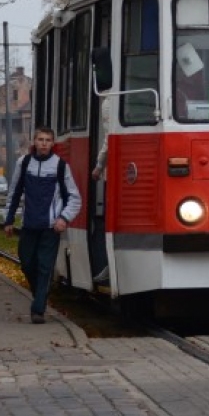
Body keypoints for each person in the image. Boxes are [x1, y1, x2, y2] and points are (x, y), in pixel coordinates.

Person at [3, 126, 82, 324]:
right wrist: (8, 219)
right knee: (27, 263)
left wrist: (63, 218)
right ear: (34, 142)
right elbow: (14, 192)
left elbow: (74, 198)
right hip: (29, 225)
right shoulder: (24, 163)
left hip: (50, 228)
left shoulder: (60, 166)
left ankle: (38, 309)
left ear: (53, 143)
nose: (44, 143)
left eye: (48, 140)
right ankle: (41, 293)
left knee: (45, 267)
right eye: (40, 139)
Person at [90, 96, 112, 285]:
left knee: (110, 220)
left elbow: (109, 138)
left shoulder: (110, 103)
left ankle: (110, 265)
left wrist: (98, 165)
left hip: (114, 175)